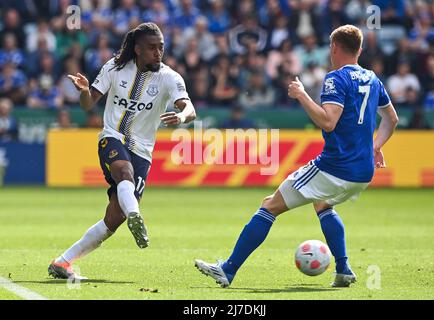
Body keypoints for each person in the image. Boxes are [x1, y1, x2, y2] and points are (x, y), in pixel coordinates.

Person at [195, 25, 399, 288]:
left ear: (334, 47)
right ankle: (344, 268)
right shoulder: (373, 78)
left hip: (334, 167)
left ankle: (228, 269)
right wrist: (375, 147)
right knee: (323, 204)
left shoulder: (335, 78)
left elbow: (328, 122)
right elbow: (391, 119)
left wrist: (302, 95)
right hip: (363, 172)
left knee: (269, 205)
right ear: (359, 50)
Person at [48, 22, 196, 280]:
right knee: (123, 172)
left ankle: (62, 263)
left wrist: (182, 117)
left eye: (161, 47)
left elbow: (190, 108)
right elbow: (88, 103)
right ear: (137, 49)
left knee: (112, 219)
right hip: (112, 137)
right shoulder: (114, 68)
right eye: (152, 48)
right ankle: (136, 216)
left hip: (143, 151)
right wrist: (83, 92)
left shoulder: (169, 77)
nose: (158, 53)